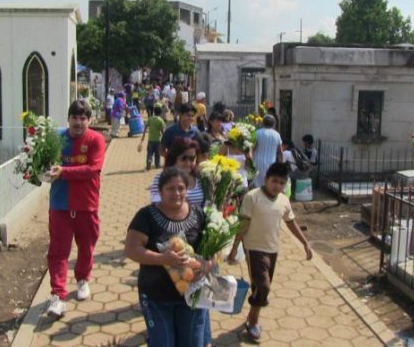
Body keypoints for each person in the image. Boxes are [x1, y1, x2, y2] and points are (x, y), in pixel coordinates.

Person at [228, 162, 312, 341]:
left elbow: (291, 222)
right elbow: (243, 224)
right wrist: (235, 248)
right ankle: (253, 323)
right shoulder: (252, 197)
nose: (278, 186)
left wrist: (305, 243)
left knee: (260, 286)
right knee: (263, 286)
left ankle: (251, 316)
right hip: (253, 248)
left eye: (282, 183)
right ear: (266, 179)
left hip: (273, 249)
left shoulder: (283, 200)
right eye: (274, 181)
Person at [126, 167, 208, 346]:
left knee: (192, 343)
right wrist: (162, 259)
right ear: (160, 191)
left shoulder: (198, 214)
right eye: (170, 188)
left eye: (181, 188)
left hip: (192, 295)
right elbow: (131, 249)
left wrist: (205, 265)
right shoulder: (146, 216)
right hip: (157, 296)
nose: (176, 193)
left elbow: (211, 250)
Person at [45, 99, 106, 318]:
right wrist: (41, 171)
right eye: (74, 117)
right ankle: (58, 296)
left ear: (89, 120)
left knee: (86, 246)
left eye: (83, 118)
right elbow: (46, 164)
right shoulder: (57, 138)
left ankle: (82, 280)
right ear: (68, 118)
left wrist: (63, 171)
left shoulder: (96, 140)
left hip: (86, 204)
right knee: (58, 252)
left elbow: (93, 169)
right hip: (60, 204)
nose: (78, 122)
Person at [150, 137, 204, 206]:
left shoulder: (200, 177)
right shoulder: (161, 178)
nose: (188, 163)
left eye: (192, 159)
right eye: (183, 158)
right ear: (174, 158)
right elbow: (156, 205)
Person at [252, 115, 282, 188]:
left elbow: (253, 148)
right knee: (269, 181)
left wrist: (250, 160)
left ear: (263, 123)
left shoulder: (257, 133)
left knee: (257, 183)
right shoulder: (277, 135)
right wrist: (281, 164)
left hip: (258, 162)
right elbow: (280, 151)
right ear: (274, 124)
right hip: (271, 162)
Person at [141, 105, 166, 170]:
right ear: (160, 113)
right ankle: (157, 164)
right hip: (158, 140)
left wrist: (143, 135)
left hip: (150, 139)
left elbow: (146, 126)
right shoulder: (161, 120)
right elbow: (162, 130)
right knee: (157, 153)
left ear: (154, 112)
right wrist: (165, 138)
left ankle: (149, 160)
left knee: (150, 152)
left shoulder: (150, 118)